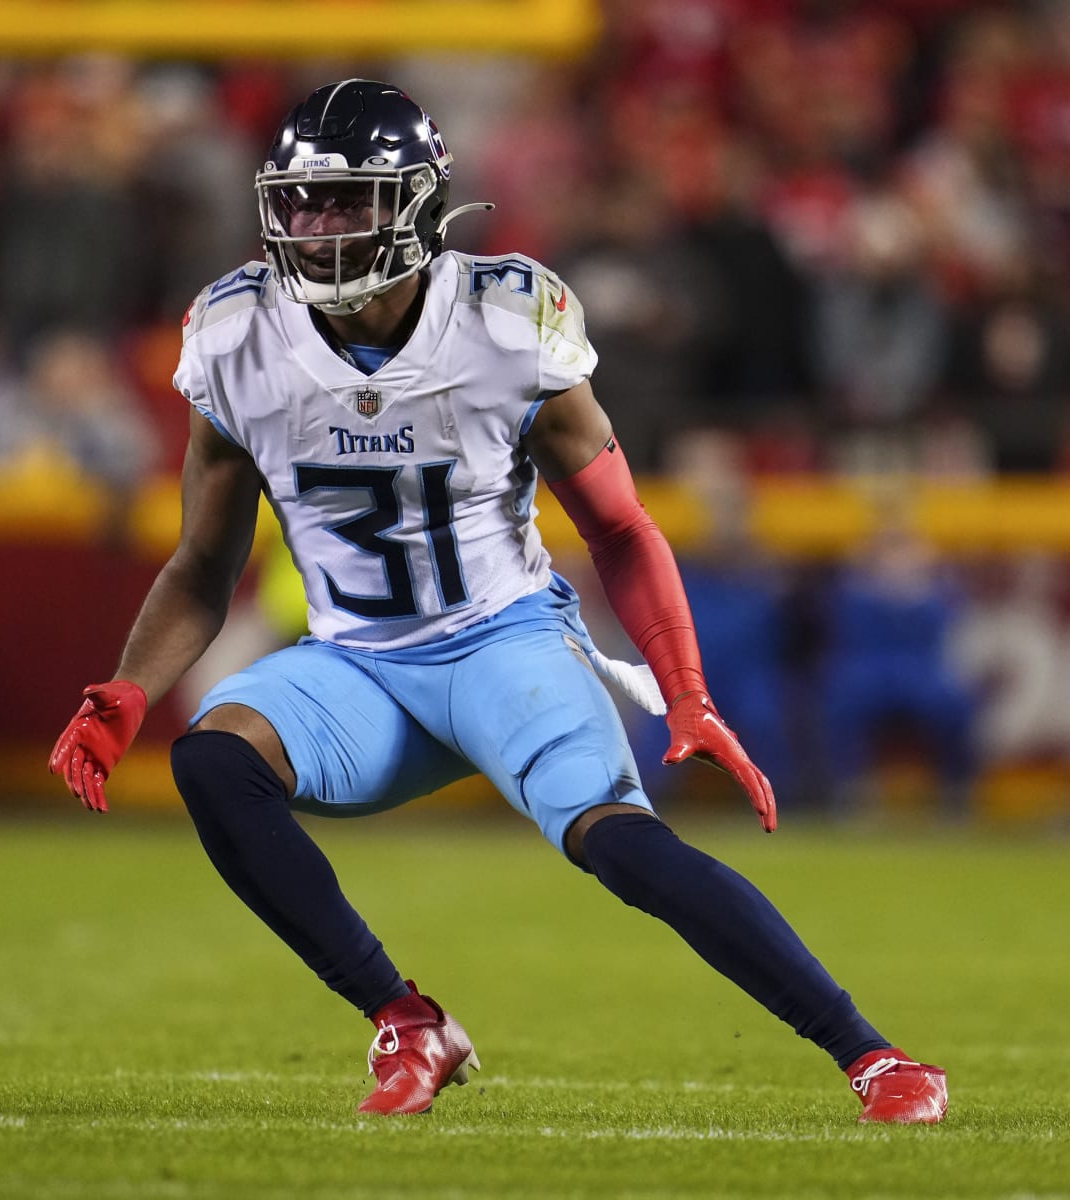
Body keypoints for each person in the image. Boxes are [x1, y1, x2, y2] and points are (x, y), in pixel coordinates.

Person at [48, 80, 947, 1124]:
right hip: (354, 665)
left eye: (348, 203)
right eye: (300, 203)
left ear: (420, 206)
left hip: (503, 643)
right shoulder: (235, 333)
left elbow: (619, 527)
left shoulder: (507, 322)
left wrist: (686, 691)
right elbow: (205, 561)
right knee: (212, 757)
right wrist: (128, 688)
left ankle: (873, 1057)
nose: (317, 229)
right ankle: (407, 1019)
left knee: (621, 846)